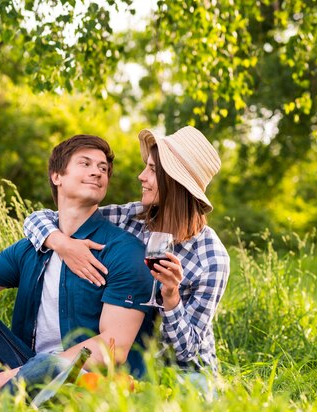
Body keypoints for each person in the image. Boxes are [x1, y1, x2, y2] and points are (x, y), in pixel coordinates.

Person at [0, 134, 154, 398]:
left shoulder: (124, 250)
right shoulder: (30, 248)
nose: (97, 172)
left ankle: (7, 388)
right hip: (25, 363)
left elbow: (113, 347)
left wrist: (25, 372)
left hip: (84, 378)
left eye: (103, 168)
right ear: (57, 176)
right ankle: (16, 389)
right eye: (85, 164)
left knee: (47, 365)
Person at [23, 126, 230, 375]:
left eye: (152, 170)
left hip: (184, 374)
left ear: (174, 182)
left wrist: (172, 298)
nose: (141, 176)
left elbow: (187, 351)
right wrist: (61, 243)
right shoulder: (130, 219)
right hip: (128, 368)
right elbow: (43, 218)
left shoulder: (210, 257)